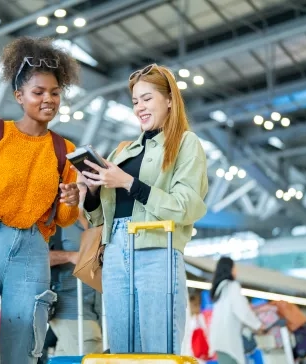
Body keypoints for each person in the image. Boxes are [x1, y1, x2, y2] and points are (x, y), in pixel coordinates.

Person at [0, 36, 81, 363]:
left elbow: (64, 218)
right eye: (38, 93)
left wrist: (71, 198)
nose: (48, 99)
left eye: (54, 93)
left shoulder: (65, 150)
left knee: (24, 338)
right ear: (19, 96)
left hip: (33, 248)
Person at [80, 63, 209, 353]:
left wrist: (127, 182)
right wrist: (90, 191)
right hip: (114, 252)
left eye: (147, 98)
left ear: (169, 100)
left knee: (158, 347)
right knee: (121, 349)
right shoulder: (122, 151)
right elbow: (101, 216)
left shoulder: (186, 144)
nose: (140, 107)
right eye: (135, 101)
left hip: (157, 248)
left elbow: (186, 206)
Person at [49, 184, 103, 355]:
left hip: (96, 310)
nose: (83, 191)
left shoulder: (98, 221)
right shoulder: (56, 222)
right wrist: (70, 256)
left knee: (66, 358)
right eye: (80, 185)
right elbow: (33, 258)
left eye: (88, 186)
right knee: (91, 354)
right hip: (69, 308)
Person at [208, 257, 264, 364]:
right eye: (234, 267)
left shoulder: (220, 288)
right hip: (229, 343)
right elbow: (242, 311)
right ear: (229, 269)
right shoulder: (232, 286)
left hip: (220, 342)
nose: (236, 271)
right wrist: (258, 325)